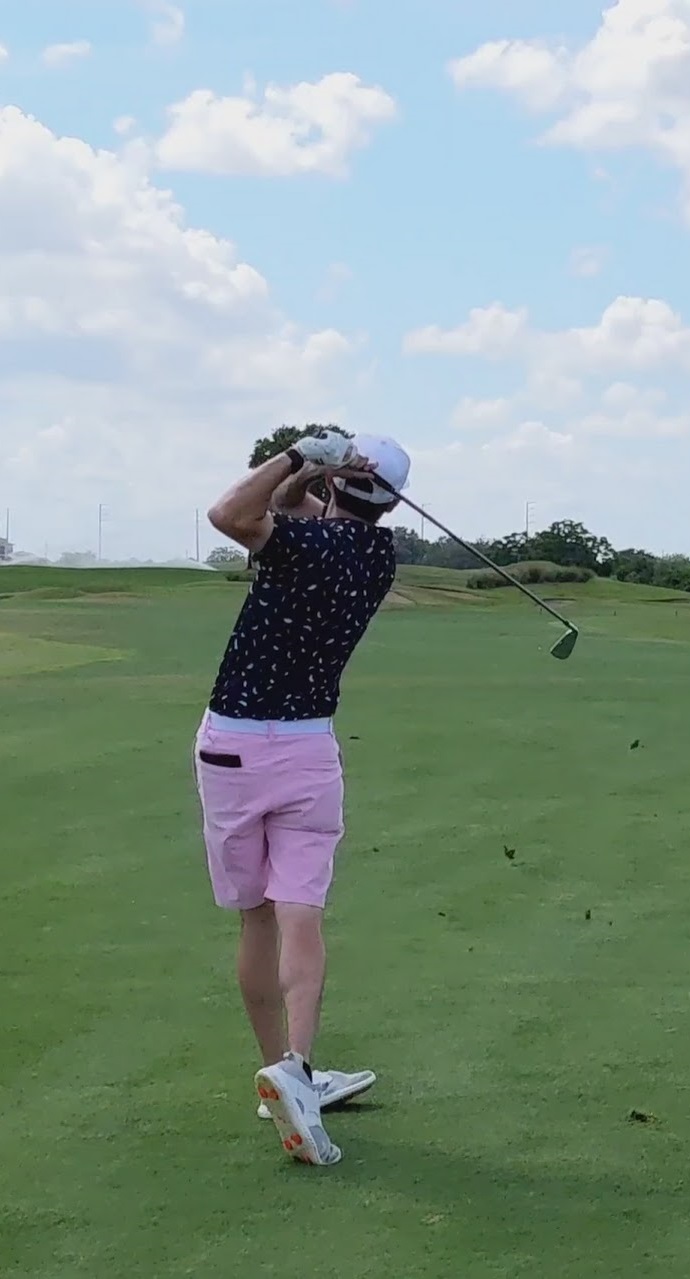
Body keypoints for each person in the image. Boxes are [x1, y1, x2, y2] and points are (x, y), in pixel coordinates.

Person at [196, 429, 410, 1167]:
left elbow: (230, 513)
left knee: (257, 916)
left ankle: (279, 1081)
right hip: (306, 750)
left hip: (228, 743)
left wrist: (296, 454)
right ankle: (294, 1071)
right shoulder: (377, 557)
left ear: (340, 483)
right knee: (301, 913)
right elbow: (290, 512)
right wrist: (314, 474)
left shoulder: (299, 545)